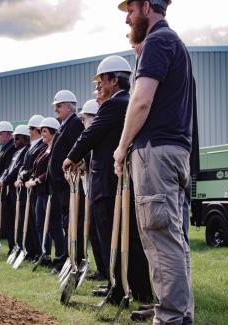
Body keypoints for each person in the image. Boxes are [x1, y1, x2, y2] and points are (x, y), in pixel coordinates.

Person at [114, 1, 195, 323]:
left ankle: (171, 318)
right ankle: (179, 312)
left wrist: (122, 148)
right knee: (173, 239)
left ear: (146, 6)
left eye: (130, 9)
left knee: (160, 240)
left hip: (156, 153)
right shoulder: (173, 43)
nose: (128, 16)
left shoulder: (158, 41)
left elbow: (142, 99)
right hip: (173, 152)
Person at [63, 55, 153, 304]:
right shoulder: (126, 102)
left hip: (110, 183)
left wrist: (71, 157)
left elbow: (91, 133)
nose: (99, 85)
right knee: (124, 237)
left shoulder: (115, 104)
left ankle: (122, 289)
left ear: (114, 80)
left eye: (101, 80)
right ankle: (129, 287)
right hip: (116, 180)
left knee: (114, 237)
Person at [46, 90, 85, 273]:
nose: (56, 110)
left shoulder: (75, 123)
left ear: (69, 106)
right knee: (65, 225)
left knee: (72, 225)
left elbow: (77, 150)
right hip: (59, 187)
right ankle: (67, 260)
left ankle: (75, 261)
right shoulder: (64, 125)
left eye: (59, 106)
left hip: (68, 185)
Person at [77, 99, 107, 281]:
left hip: (101, 189)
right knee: (94, 234)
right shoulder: (89, 134)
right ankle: (102, 269)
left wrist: (84, 162)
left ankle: (106, 270)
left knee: (100, 234)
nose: (82, 122)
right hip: (90, 189)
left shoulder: (98, 134)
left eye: (85, 118)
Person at [25, 117, 60, 266]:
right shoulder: (44, 150)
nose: (42, 134)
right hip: (39, 193)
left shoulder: (56, 149)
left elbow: (51, 170)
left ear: (53, 132)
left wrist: (37, 180)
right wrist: (31, 178)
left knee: (53, 225)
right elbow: (36, 167)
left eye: (44, 131)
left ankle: (59, 256)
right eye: (41, 131)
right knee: (40, 224)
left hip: (49, 192)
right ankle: (44, 254)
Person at [0, 125, 30, 254]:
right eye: (14, 138)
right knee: (9, 222)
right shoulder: (15, 152)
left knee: (19, 223)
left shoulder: (26, 151)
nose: (14, 141)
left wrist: (4, 181)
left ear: (26, 139)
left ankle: (21, 247)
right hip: (8, 193)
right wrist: (1, 179)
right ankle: (12, 247)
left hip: (18, 193)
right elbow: (7, 169)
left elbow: (16, 170)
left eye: (17, 138)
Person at [15, 115, 46, 261]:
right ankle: (31, 250)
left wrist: (24, 175)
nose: (29, 132)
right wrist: (20, 175)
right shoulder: (30, 147)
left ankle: (40, 252)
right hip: (25, 189)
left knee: (36, 223)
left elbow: (34, 167)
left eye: (31, 129)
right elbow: (23, 164)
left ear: (38, 130)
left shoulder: (42, 146)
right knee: (27, 222)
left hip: (34, 189)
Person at [0, 121, 18, 246]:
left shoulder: (12, 148)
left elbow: (8, 169)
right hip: (0, 191)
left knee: (10, 221)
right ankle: (11, 246)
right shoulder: (2, 150)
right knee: (6, 222)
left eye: (0, 134)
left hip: (7, 191)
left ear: (9, 135)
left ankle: (13, 246)